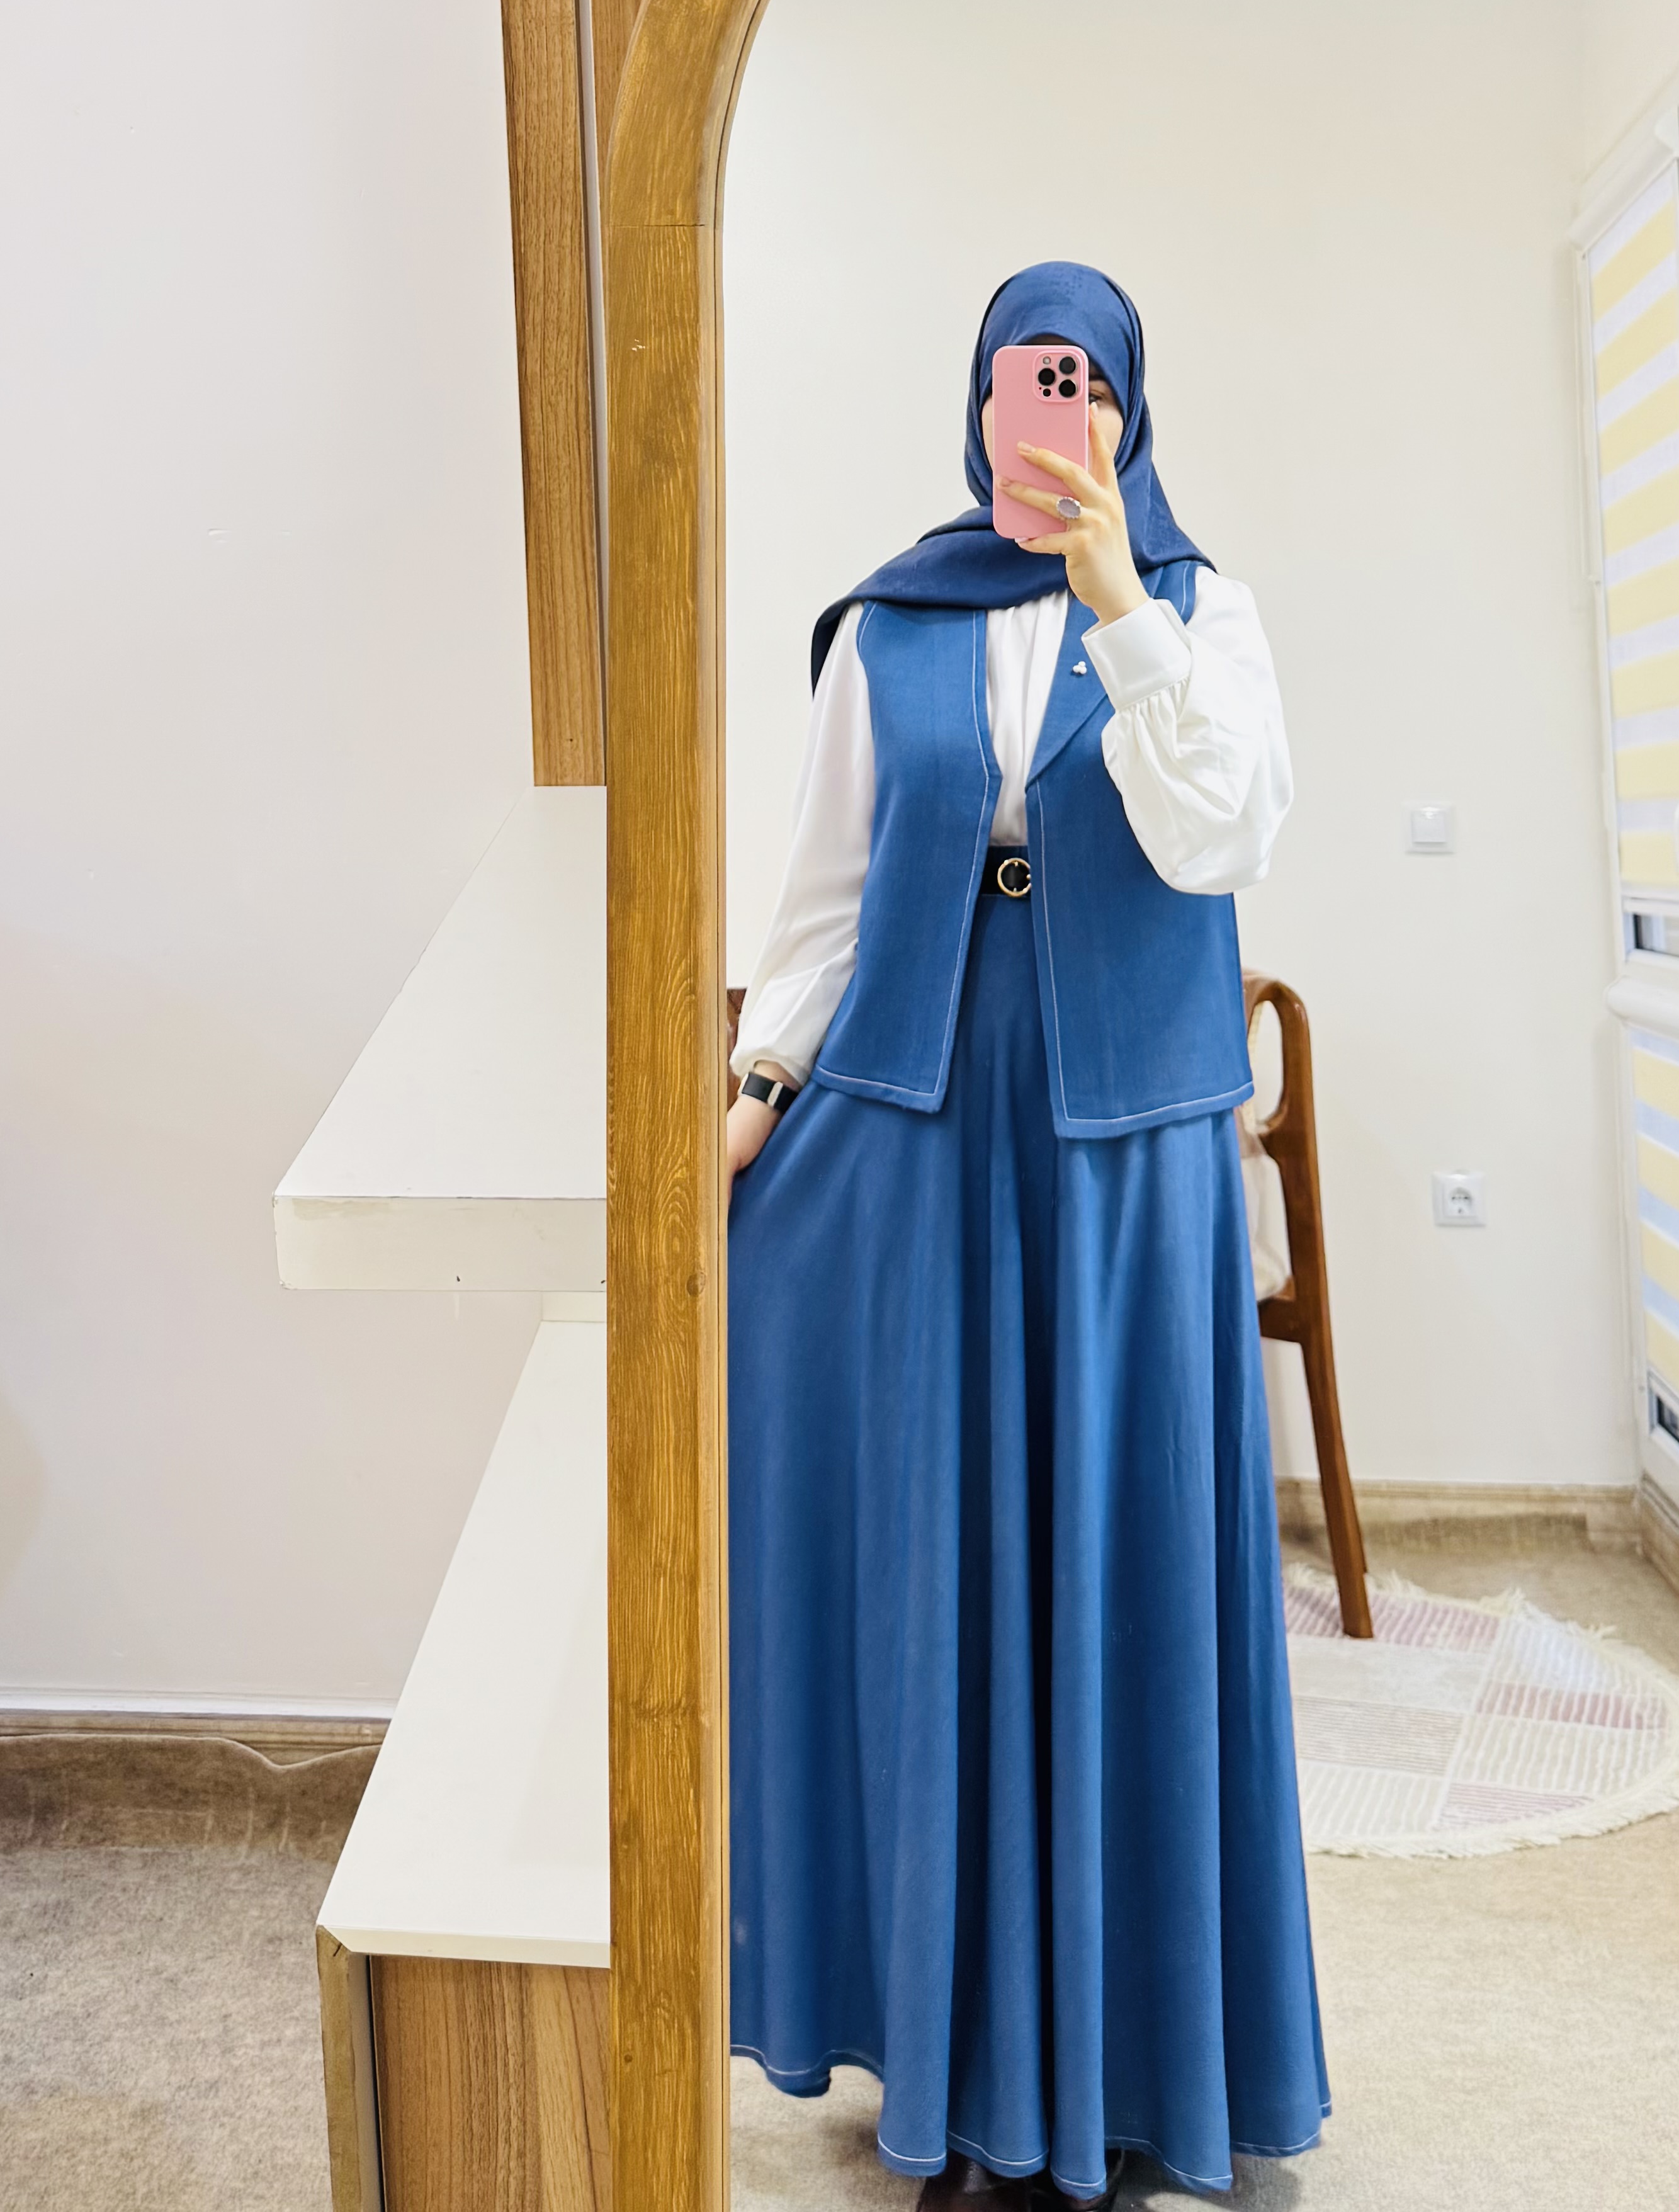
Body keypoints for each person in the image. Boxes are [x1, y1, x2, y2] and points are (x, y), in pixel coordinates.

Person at [726, 262, 1328, 2204]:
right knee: (939, 1586)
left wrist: (1120, 604)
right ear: (975, 401)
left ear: (1127, 411)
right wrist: (754, 1093)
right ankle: (968, 2083)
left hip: (1126, 1154)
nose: (1048, 412)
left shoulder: (1200, 612)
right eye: (1017, 379)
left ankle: (1131, 2085)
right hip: (915, 1125)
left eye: (1080, 384)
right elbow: (824, 901)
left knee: (1124, 1574)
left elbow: (1223, 833)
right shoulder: (890, 623)